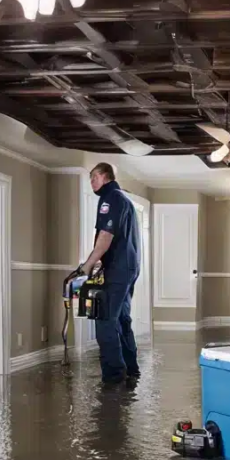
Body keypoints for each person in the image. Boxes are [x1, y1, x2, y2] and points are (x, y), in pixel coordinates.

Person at [80, 163, 141, 385]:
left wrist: (87, 265)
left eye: (93, 178)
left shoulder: (110, 198)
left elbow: (105, 236)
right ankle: (131, 368)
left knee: (105, 319)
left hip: (118, 269)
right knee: (122, 319)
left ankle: (114, 376)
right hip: (128, 268)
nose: (92, 183)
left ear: (105, 176)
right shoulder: (124, 200)